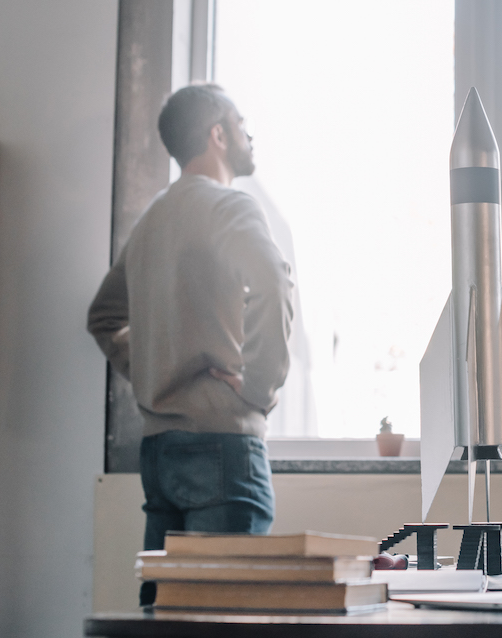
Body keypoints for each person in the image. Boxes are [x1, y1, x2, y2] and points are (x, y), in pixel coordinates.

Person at [87, 84, 292, 605]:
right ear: (217, 134)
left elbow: (104, 316)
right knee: (226, 618)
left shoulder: (153, 220)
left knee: (167, 619)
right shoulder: (229, 207)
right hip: (223, 445)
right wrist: (259, 388)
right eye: (241, 122)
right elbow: (274, 282)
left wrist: (155, 369)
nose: (251, 133)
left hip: (161, 450)